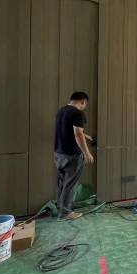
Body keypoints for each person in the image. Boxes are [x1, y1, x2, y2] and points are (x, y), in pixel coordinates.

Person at [53, 91, 94, 220]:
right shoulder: (78, 113)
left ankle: (61, 208)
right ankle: (65, 213)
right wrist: (86, 152)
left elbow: (69, 130)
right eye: (85, 104)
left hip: (58, 154)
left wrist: (86, 136)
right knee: (70, 184)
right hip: (72, 155)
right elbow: (78, 134)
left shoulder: (61, 111)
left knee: (62, 183)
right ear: (83, 101)